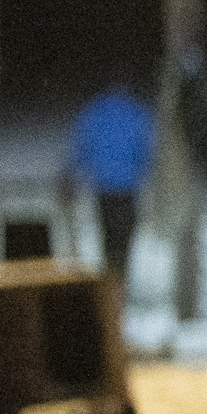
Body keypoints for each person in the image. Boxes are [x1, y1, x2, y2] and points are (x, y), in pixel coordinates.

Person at [69, 84, 157, 284]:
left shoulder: (96, 111)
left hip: (104, 187)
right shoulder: (137, 112)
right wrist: (144, 174)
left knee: (108, 236)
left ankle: (109, 280)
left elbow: (81, 145)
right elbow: (149, 149)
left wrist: (75, 173)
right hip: (128, 188)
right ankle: (120, 282)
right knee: (124, 238)